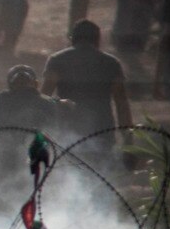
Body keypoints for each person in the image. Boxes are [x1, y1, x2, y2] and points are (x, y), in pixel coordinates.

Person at [42, 19, 134, 162]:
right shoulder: (111, 63)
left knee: (69, 178)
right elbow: (121, 105)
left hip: (67, 132)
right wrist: (129, 143)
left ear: (72, 39)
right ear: (98, 40)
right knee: (99, 177)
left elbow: (44, 100)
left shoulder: (57, 60)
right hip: (102, 132)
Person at [0, 64, 62, 204]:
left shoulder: (3, 99)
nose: (23, 88)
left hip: (18, 160)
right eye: (20, 83)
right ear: (36, 84)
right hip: (20, 159)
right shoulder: (4, 99)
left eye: (25, 83)